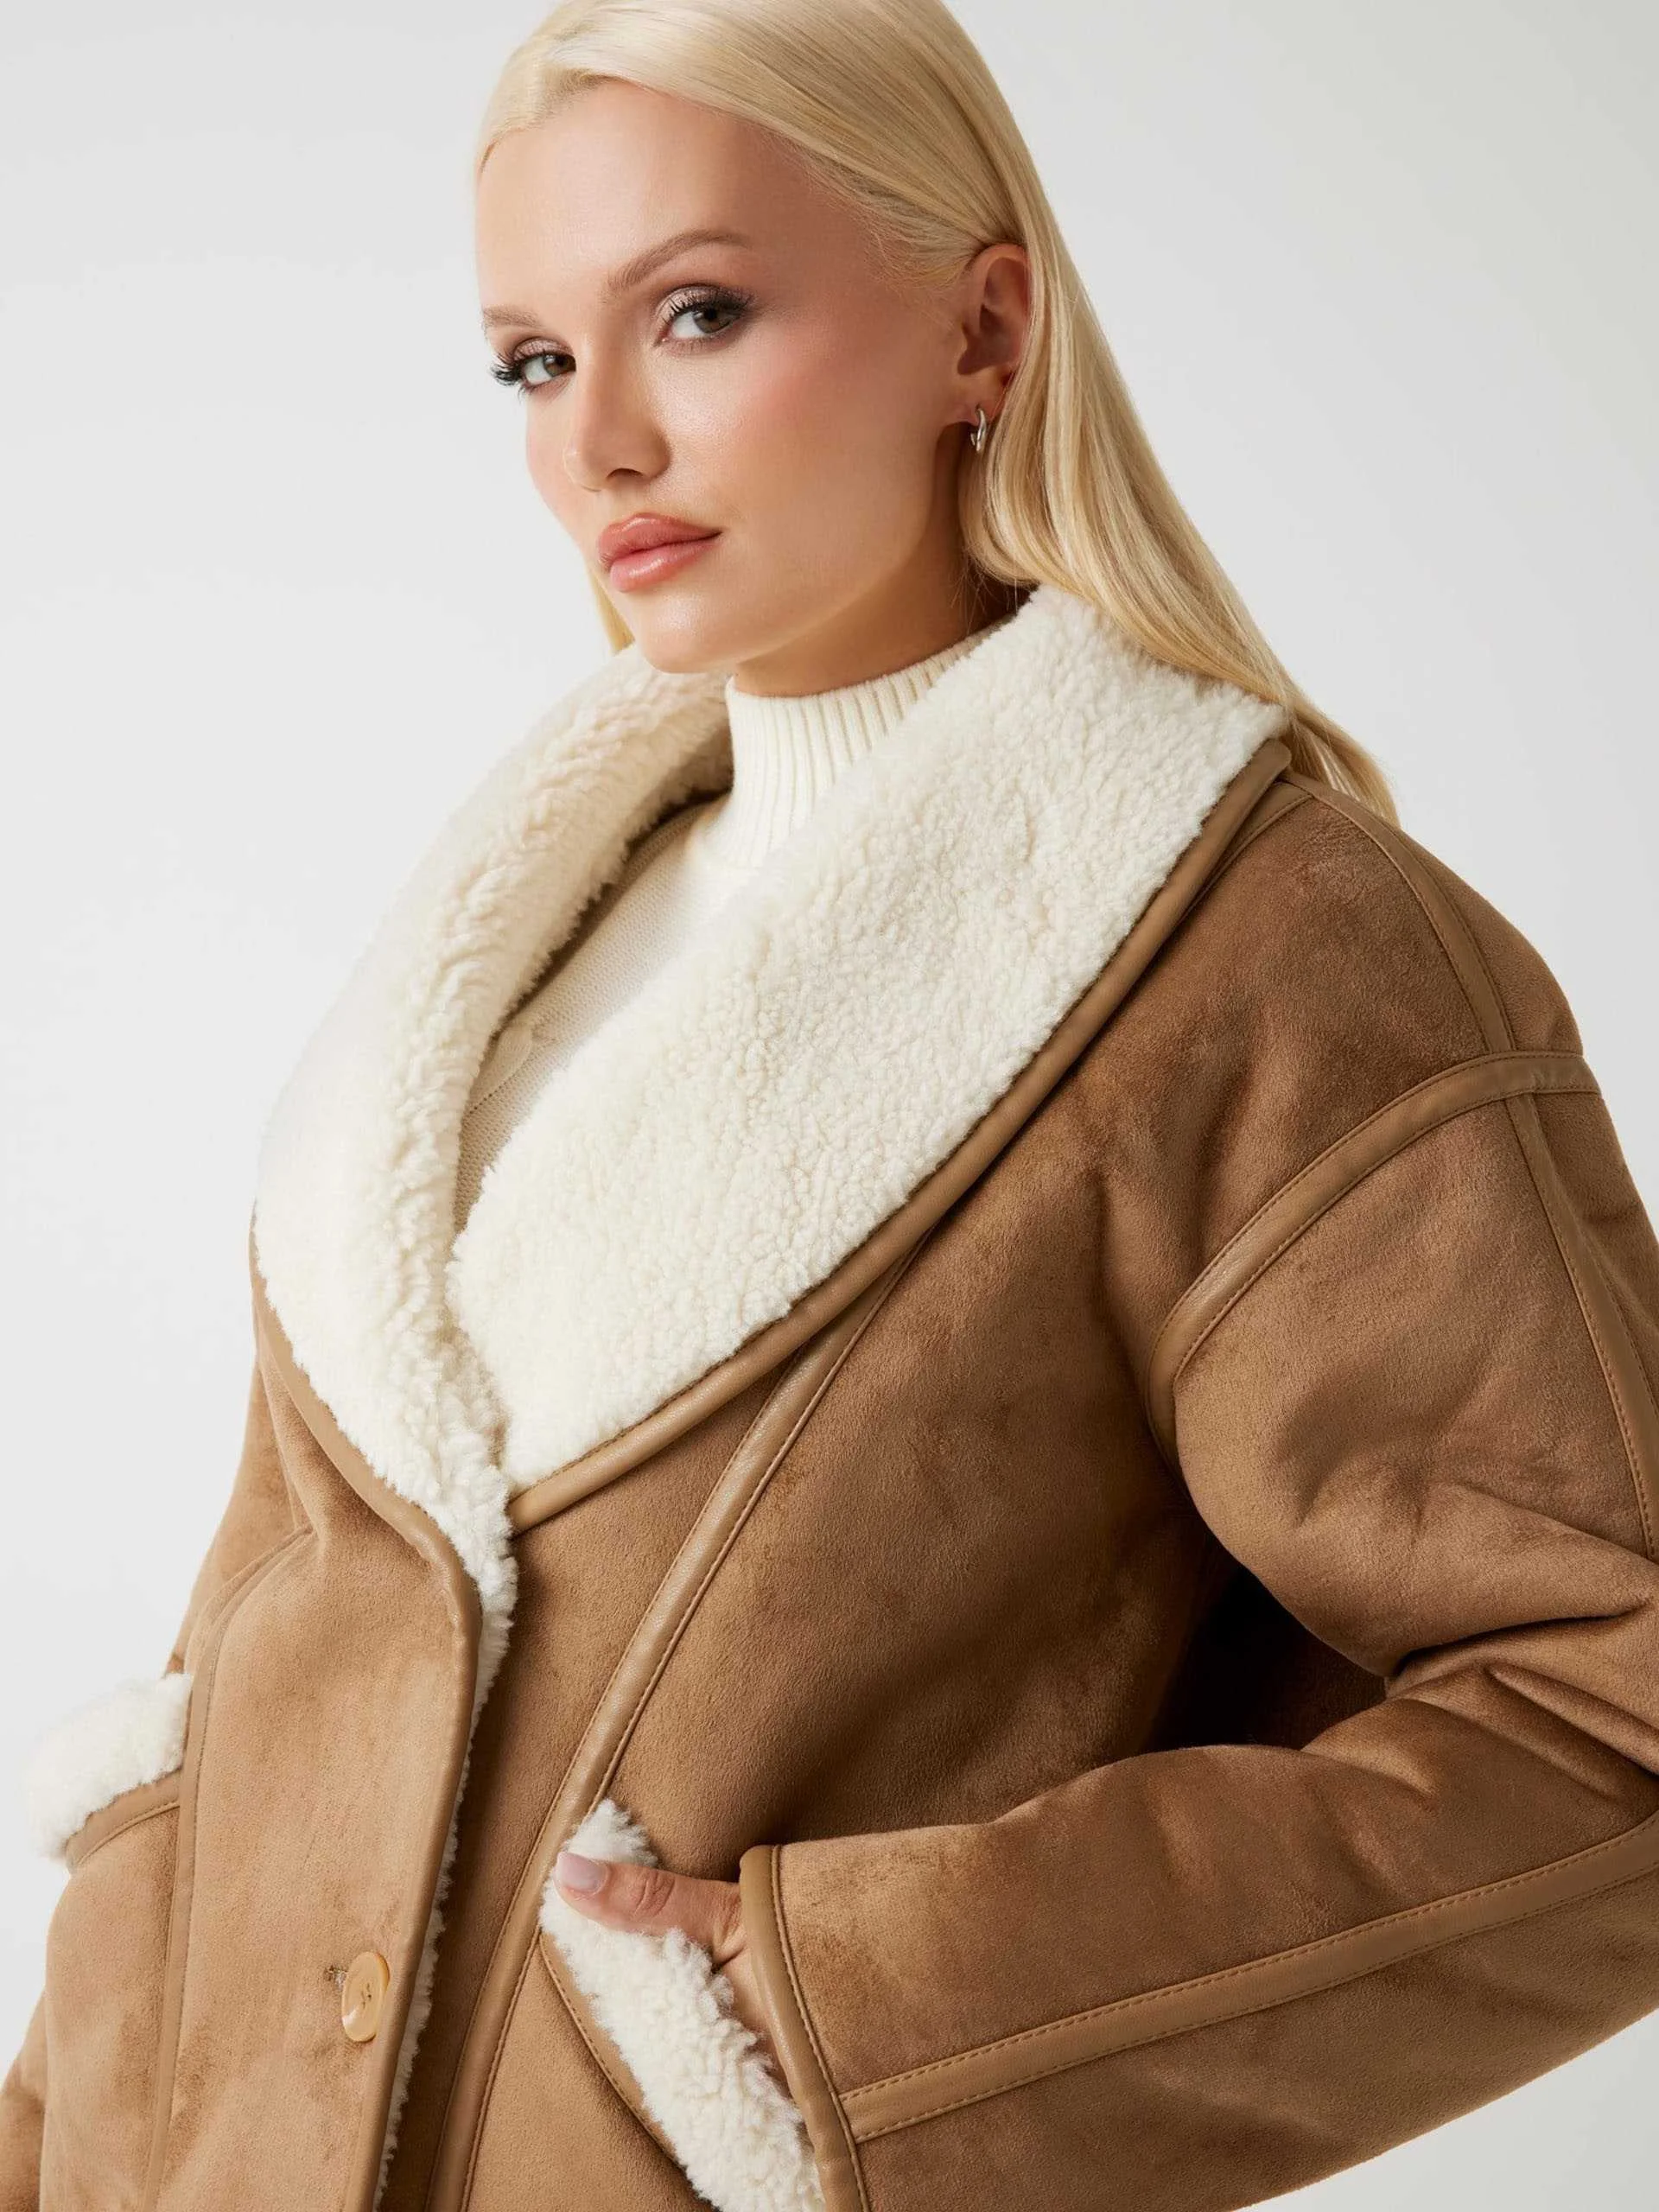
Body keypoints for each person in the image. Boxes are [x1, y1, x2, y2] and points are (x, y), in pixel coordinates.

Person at [6, 3, 1658, 2209]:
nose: (598, 442)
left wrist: (861, 2015)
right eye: (531, 361)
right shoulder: (509, 956)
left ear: (986, 332)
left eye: (696, 314)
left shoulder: (1261, 945)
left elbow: (1620, 1709)